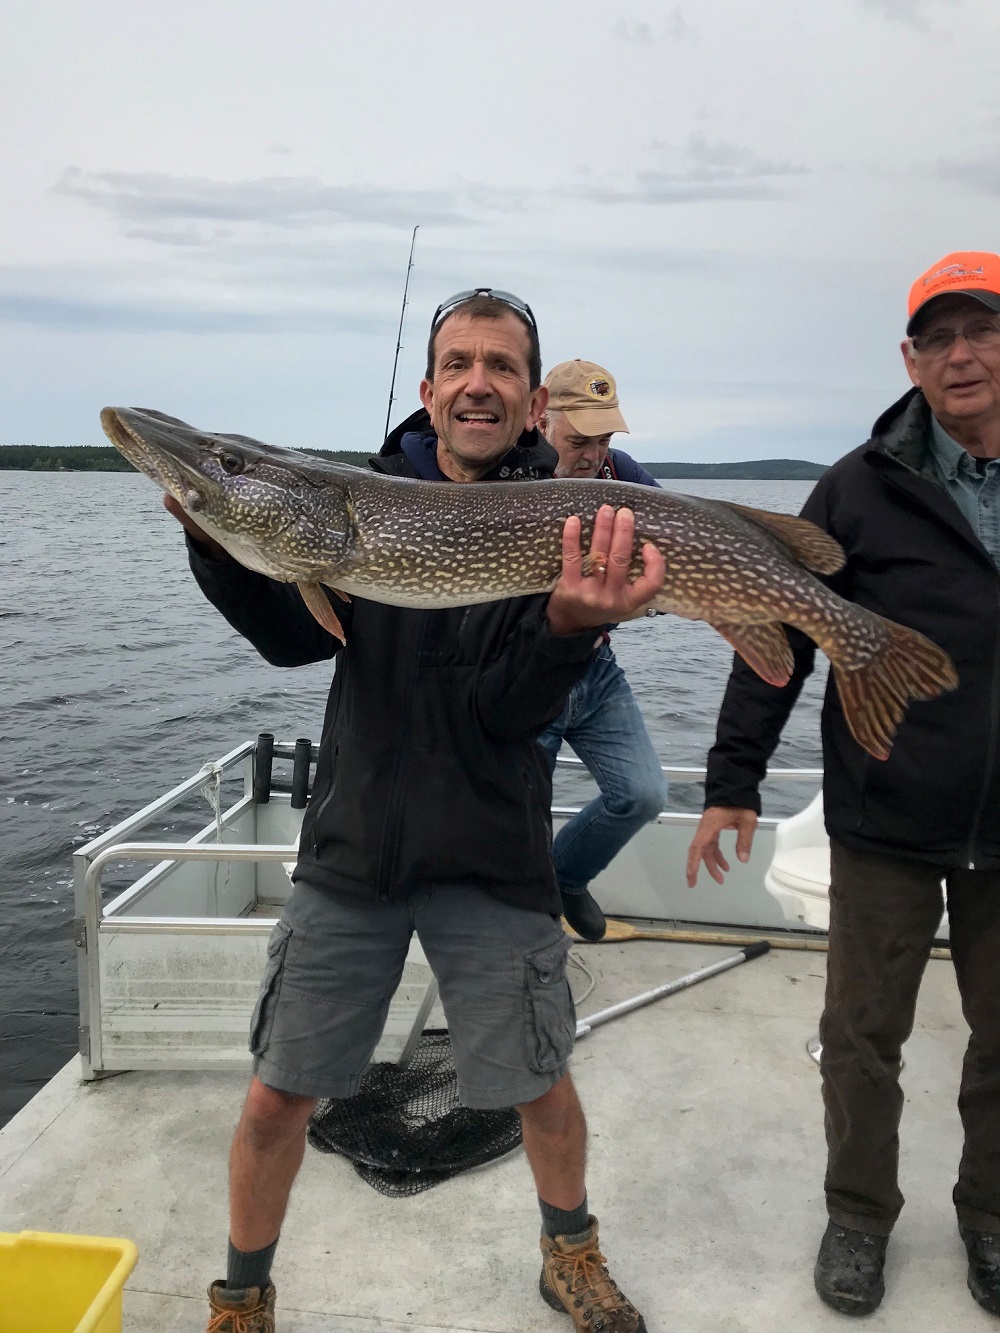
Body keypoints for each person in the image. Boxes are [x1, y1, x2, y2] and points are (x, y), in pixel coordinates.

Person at [167, 289, 664, 1333]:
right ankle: (241, 1294)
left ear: (531, 402)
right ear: (430, 387)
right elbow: (291, 635)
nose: (477, 380)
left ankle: (568, 1251)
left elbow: (507, 708)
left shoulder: (559, 519)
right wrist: (218, 532)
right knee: (276, 1095)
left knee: (539, 1084)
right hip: (355, 845)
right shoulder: (360, 501)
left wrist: (572, 627)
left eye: (500, 365)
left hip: (490, 846)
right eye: (458, 362)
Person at [686, 252, 1000, 1319]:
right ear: (909, 359)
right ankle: (858, 1214)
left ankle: (991, 1215)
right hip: (887, 813)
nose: (963, 355)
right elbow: (768, 620)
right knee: (863, 1036)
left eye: (983, 330)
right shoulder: (859, 486)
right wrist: (731, 780)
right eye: (939, 337)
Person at [536, 360, 668, 941]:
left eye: (604, 439)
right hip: (526, 671)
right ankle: (531, 933)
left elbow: (673, 549)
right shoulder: (512, 475)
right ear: (541, 419)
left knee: (641, 794)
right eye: (579, 439)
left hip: (593, 664)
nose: (593, 454)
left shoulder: (620, 474)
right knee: (516, 817)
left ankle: (566, 875)